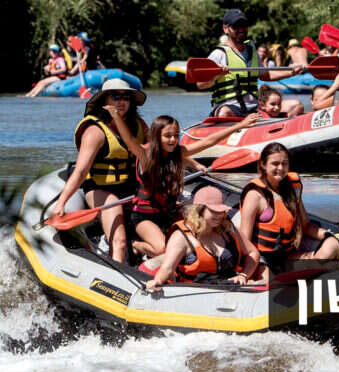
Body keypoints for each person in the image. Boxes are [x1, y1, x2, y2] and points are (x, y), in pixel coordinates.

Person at [105, 105, 259, 258]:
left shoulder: (178, 153)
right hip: (143, 216)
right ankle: (136, 246)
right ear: (156, 136)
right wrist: (116, 116)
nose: (173, 140)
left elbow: (209, 141)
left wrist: (240, 125)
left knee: (200, 235)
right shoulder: (145, 154)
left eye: (176, 135)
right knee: (162, 249)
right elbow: (128, 139)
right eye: (167, 136)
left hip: (168, 212)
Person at [50, 79, 149, 263]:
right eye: (115, 97)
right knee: (119, 242)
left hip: (130, 187)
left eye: (126, 97)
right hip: (101, 188)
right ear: (105, 101)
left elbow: (155, 155)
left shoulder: (139, 125)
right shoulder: (94, 131)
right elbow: (81, 171)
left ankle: (139, 251)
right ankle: (116, 271)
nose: (121, 102)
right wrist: (61, 203)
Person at [239, 142, 330, 278]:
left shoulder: (293, 189)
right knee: (271, 283)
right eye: (275, 164)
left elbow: (305, 225)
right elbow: (244, 241)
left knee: (332, 249)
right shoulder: (254, 195)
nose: (281, 168)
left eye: (285, 164)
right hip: (263, 259)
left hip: (287, 256)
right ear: (263, 164)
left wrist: (327, 235)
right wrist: (245, 273)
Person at [143, 186, 261, 289]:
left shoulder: (228, 228)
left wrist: (243, 275)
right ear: (199, 210)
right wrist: (157, 281)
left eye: (221, 211)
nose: (219, 215)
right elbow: (167, 268)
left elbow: (252, 253)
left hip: (228, 291)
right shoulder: (181, 237)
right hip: (195, 294)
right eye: (213, 211)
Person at [196, 9, 304, 118]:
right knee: (224, 113)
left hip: (254, 108)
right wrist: (217, 74)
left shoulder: (252, 52)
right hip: (231, 108)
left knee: (296, 105)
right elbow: (200, 84)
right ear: (225, 29)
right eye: (236, 26)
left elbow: (266, 75)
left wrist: (292, 72)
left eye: (244, 25)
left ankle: (275, 125)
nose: (241, 29)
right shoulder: (218, 54)